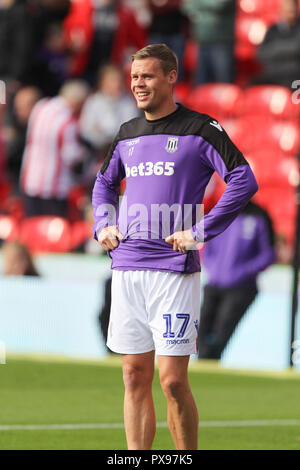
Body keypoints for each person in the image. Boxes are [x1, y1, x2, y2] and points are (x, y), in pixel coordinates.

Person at [92, 44, 258, 450]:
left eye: (146, 76)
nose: (138, 84)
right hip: (127, 264)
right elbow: (104, 183)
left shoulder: (200, 129)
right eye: (134, 77)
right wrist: (103, 223)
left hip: (174, 267)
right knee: (133, 373)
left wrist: (201, 231)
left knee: (171, 379)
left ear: (170, 77)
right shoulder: (127, 133)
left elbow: (243, 180)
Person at [198, 200, 276, 360]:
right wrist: (213, 268)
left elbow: (267, 254)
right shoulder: (219, 214)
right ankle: (204, 363)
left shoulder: (258, 216)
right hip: (214, 284)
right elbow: (208, 247)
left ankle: (209, 363)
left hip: (241, 288)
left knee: (222, 331)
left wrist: (243, 272)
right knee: (200, 329)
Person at [20, 80, 89, 218]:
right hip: (54, 188)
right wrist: (83, 154)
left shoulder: (41, 106)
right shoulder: (68, 120)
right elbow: (70, 155)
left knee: (32, 229)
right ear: (77, 101)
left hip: (30, 180)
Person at [181, 0, 236, 84]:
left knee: (223, 83)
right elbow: (186, 7)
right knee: (201, 83)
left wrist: (199, 6)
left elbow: (219, 6)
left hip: (221, 42)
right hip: (202, 41)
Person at [255, 0, 300, 88]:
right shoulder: (272, 30)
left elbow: (297, 48)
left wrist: (275, 47)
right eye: (288, 7)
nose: (291, 10)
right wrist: (288, 50)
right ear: (281, 9)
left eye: (293, 7)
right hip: (273, 77)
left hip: (295, 78)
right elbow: (261, 54)